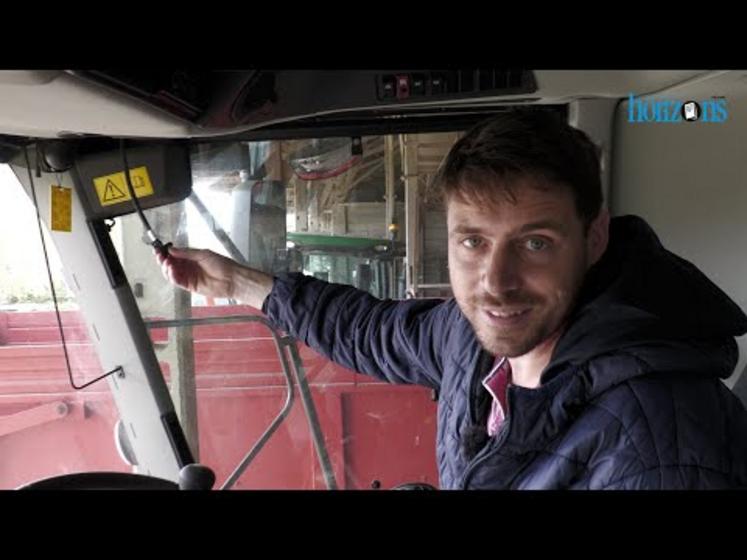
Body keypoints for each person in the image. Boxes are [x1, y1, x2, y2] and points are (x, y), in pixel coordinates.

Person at [158, 108, 747, 489]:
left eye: (535, 243)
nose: (496, 281)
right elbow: (367, 330)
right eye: (473, 241)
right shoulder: (468, 339)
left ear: (594, 237)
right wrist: (239, 284)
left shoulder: (661, 447)